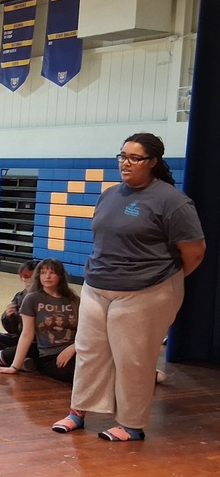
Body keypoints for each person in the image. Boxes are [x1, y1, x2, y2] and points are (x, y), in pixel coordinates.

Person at [52, 133, 205, 441]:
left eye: (134, 158)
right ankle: (78, 412)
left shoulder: (173, 202)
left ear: (153, 162)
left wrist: (163, 280)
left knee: (133, 358)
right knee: (89, 351)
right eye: (122, 156)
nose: (126, 163)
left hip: (146, 291)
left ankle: (131, 425)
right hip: (98, 285)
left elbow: (195, 251)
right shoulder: (109, 195)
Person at [0, 259, 80, 384]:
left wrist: (73, 347)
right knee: (80, 375)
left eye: (52, 272)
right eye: (43, 272)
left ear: (60, 276)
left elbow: (85, 331)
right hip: (51, 355)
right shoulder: (32, 299)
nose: (47, 276)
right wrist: (14, 367)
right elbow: (27, 334)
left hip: (76, 350)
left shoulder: (74, 300)